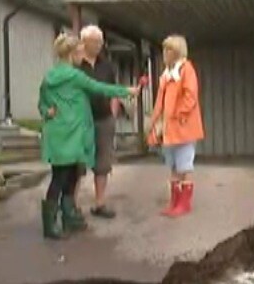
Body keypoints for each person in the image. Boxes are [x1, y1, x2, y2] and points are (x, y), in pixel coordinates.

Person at [38, 33, 139, 239]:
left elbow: (42, 103)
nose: (81, 56)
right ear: (71, 54)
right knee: (62, 178)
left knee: (67, 174)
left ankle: (68, 217)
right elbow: (99, 88)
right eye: (79, 52)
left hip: (58, 133)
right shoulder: (75, 76)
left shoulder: (49, 77)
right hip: (73, 132)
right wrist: (126, 91)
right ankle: (51, 226)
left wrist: (47, 111)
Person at [146, 35, 205, 218]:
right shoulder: (166, 73)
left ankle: (184, 203)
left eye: (169, 50)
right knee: (172, 166)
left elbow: (190, 96)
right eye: (164, 50)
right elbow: (160, 101)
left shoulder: (186, 69)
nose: (165, 53)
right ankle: (174, 201)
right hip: (169, 129)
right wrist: (153, 121)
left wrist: (178, 115)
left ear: (177, 52)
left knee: (184, 166)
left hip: (183, 127)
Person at [77, 25, 121, 219]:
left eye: (100, 42)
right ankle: (73, 204)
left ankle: (100, 203)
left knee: (103, 163)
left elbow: (114, 90)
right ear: (84, 42)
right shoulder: (75, 65)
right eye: (95, 42)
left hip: (103, 119)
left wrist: (113, 112)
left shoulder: (107, 65)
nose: (98, 45)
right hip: (80, 121)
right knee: (77, 163)